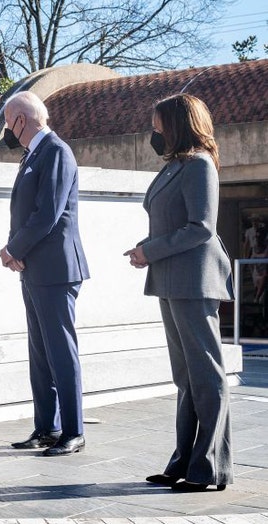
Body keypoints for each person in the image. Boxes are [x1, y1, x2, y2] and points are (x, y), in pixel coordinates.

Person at [124, 93, 233, 492]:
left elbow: (201, 227)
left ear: (177, 125)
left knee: (206, 376)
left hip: (194, 280)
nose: (153, 133)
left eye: (158, 126)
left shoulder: (200, 165)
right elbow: (169, 222)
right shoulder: (176, 166)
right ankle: (183, 461)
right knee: (186, 377)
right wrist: (145, 250)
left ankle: (208, 470)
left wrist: (149, 250)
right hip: (172, 279)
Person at [0, 91, 90, 457]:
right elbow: (22, 212)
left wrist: (13, 249)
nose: (7, 130)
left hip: (56, 268)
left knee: (61, 351)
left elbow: (47, 214)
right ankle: (47, 427)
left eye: (8, 122)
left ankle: (73, 431)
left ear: (21, 119)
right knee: (40, 353)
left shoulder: (56, 152)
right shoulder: (32, 156)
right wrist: (14, 250)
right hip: (34, 267)